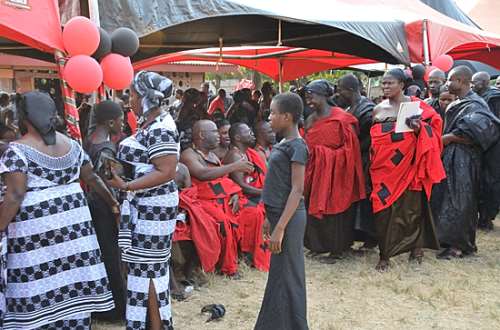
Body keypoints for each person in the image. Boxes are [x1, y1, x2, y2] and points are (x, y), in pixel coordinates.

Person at [0, 91, 118, 329]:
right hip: (74, 228)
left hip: (35, 234)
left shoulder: (18, 150)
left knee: (38, 287)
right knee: (71, 285)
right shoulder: (72, 145)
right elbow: (91, 177)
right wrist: (113, 202)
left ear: (24, 118)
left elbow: (15, 194)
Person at [106, 71, 179, 330]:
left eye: (134, 94)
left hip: (153, 209)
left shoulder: (161, 128)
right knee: (143, 269)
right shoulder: (153, 124)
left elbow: (166, 171)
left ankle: (156, 326)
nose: (130, 100)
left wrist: (126, 185)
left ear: (148, 97)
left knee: (148, 271)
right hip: (146, 205)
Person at [370, 69, 445, 270]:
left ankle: (415, 248)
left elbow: (435, 131)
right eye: (383, 83)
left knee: (411, 211)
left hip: (409, 168)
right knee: (382, 208)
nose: (385, 87)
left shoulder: (417, 107)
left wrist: (420, 128)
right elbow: (374, 139)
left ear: (402, 84)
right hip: (382, 168)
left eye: (390, 83)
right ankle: (385, 253)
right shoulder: (378, 109)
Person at [432, 66, 500, 257]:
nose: (447, 83)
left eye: (450, 80)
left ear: (461, 81)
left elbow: (482, 133)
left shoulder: (475, 104)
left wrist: (450, 138)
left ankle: (459, 246)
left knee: (462, 201)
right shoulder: (460, 102)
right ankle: (446, 239)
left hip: (466, 158)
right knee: (448, 198)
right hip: (451, 156)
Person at [255, 92, 309, 330]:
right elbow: (276, 183)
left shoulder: (298, 147)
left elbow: (297, 191)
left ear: (287, 117)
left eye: (273, 113)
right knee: (279, 276)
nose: (269, 117)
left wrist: (280, 228)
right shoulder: (284, 144)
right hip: (278, 216)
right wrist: (269, 217)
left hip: (290, 218)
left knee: (290, 275)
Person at [180, 120, 254, 277]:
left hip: (222, 199)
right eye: (214, 132)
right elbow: (202, 174)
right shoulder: (188, 155)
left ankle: (246, 257)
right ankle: (225, 267)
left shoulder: (213, 155)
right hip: (201, 202)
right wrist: (235, 166)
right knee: (223, 222)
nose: (219, 135)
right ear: (201, 135)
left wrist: (232, 193)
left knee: (252, 212)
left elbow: (223, 179)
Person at [303, 80, 366, 263]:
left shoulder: (342, 118)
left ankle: (337, 249)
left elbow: (351, 149)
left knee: (337, 212)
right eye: (306, 97)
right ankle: (318, 246)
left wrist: (327, 156)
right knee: (313, 209)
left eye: (312, 96)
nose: (309, 101)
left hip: (338, 172)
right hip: (315, 172)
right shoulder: (309, 119)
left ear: (324, 95)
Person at [83, 100, 127, 322]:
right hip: (104, 207)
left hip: (92, 204)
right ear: (111, 122)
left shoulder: (89, 141)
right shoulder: (107, 148)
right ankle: (116, 310)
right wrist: (115, 206)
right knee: (112, 257)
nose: (123, 124)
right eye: (120, 120)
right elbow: (108, 181)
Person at [223, 122, 270, 270]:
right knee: (256, 213)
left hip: (252, 194)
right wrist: (266, 192)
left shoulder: (250, 153)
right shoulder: (235, 156)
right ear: (237, 137)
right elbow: (241, 186)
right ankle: (249, 254)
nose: (252, 134)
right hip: (238, 197)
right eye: (248, 132)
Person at [337, 74, 376, 248]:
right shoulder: (348, 108)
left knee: (366, 199)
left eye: (341, 90)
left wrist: (353, 149)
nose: (338, 94)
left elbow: (371, 137)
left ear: (351, 90)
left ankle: (370, 238)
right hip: (351, 160)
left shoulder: (367, 109)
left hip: (365, 160)